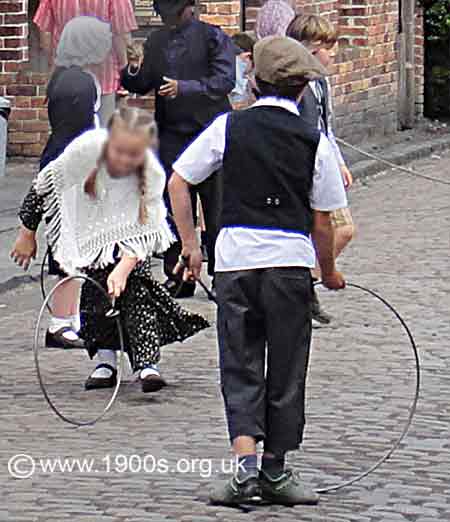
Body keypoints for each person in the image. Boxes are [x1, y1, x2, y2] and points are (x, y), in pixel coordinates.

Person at [169, 36, 347, 506]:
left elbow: (179, 180)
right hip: (289, 265)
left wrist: (192, 246)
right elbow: (323, 220)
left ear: (253, 81)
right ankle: (276, 470)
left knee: (240, 360)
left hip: (235, 262)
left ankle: (244, 470)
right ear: (304, 90)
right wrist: (327, 271)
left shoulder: (229, 126)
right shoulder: (315, 141)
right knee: (287, 366)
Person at [31, 107, 209, 392]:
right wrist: (27, 234)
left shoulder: (150, 173)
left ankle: (146, 364)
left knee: (136, 295)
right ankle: (105, 361)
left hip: (130, 240)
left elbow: (145, 230)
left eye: (133, 155)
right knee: (96, 299)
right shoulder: (85, 153)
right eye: (120, 152)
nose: (125, 161)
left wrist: (124, 268)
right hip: (91, 234)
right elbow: (44, 187)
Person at [121, 0, 235, 299]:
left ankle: (221, 274)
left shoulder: (213, 37)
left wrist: (184, 87)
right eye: (163, 15)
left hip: (209, 131)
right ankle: (179, 272)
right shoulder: (157, 40)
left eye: (173, 14)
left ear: (190, 9)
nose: (168, 20)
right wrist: (133, 69)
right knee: (171, 207)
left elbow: (224, 80)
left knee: (216, 205)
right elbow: (142, 83)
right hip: (172, 132)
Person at [11, 16, 112, 349]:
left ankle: (70, 318)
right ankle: (61, 321)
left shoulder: (69, 78)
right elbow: (76, 134)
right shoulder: (78, 83)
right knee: (68, 250)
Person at [287, 14, 355, 326]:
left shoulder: (322, 83)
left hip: (324, 162)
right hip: (305, 167)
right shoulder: (297, 83)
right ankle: (306, 287)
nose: (333, 54)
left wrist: (338, 161)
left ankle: (307, 285)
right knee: (329, 228)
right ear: (313, 49)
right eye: (328, 48)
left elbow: (327, 128)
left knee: (341, 228)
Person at [33, 0, 137, 126]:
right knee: (102, 137)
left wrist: (54, 62)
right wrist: (125, 71)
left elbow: (44, 30)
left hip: (65, 77)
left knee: (66, 137)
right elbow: (121, 34)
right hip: (104, 78)